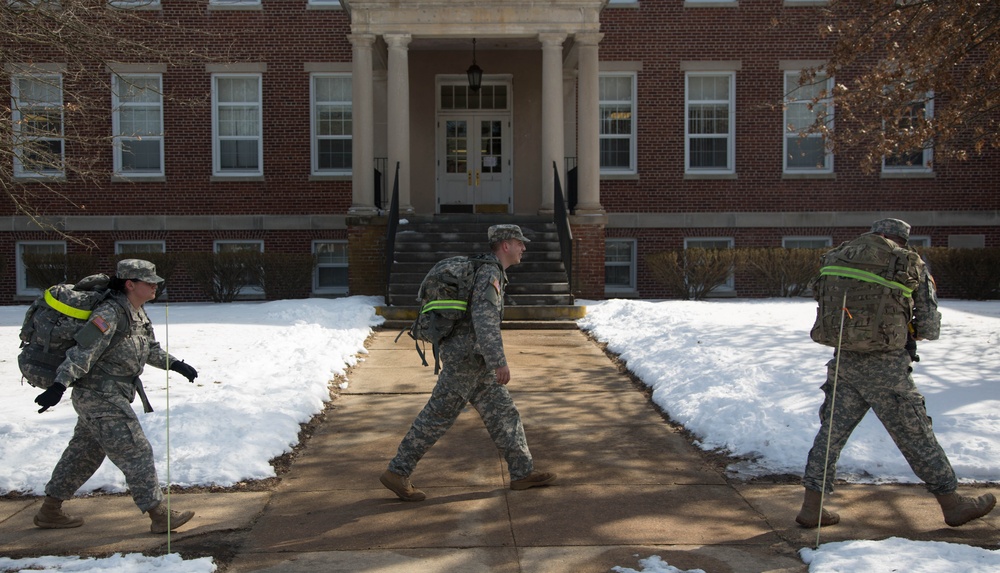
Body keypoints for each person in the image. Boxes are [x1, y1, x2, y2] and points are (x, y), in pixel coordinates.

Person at [797, 218, 996, 528]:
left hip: (845, 361)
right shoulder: (906, 261)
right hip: (887, 367)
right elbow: (929, 326)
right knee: (916, 435)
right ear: (901, 239)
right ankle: (952, 504)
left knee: (830, 435)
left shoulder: (838, 255)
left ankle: (812, 507)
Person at [380, 224, 556, 501]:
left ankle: (522, 473)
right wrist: (499, 361)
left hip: (475, 360)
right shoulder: (489, 273)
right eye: (519, 243)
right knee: (436, 417)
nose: (524, 248)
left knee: (503, 414)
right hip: (465, 360)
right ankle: (397, 472)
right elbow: (484, 321)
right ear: (505, 245)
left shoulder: (489, 270)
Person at [32, 259, 201, 534]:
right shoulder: (109, 312)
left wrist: (176, 364)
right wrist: (59, 385)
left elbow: (150, 349)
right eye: (149, 282)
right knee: (137, 449)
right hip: (99, 396)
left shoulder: (138, 312)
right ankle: (159, 515)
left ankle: (50, 511)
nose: (155, 286)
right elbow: (83, 351)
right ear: (130, 284)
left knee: (83, 454)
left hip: (112, 394)